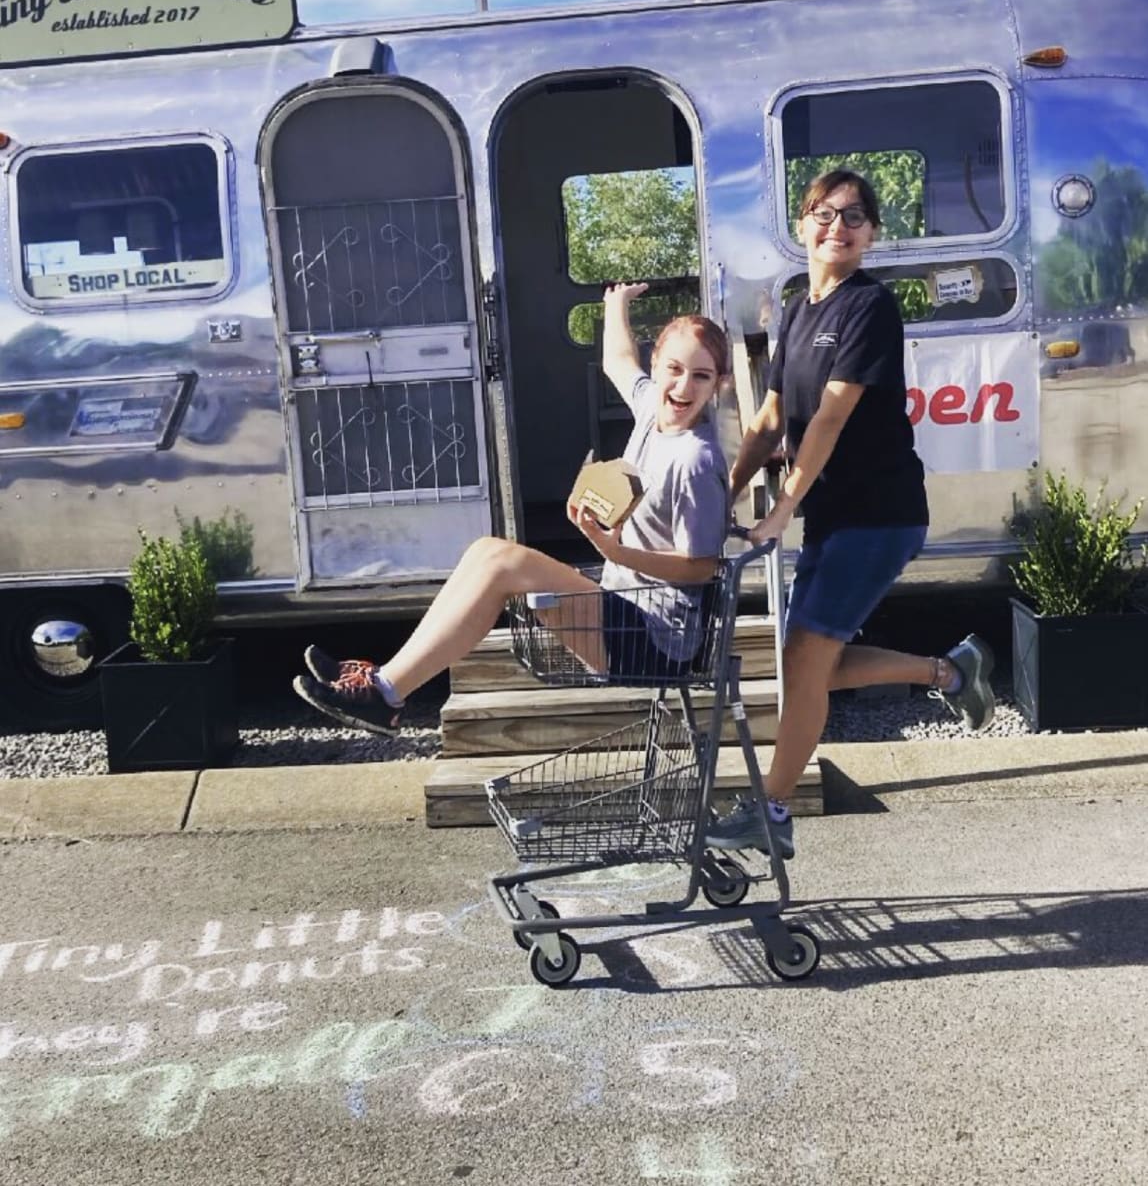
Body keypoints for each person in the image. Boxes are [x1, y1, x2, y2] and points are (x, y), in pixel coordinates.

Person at [707, 168, 995, 862]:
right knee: (813, 668)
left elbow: (830, 420)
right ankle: (950, 672)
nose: (838, 225)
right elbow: (772, 418)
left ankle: (771, 809)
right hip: (835, 515)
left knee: (804, 662)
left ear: (870, 236)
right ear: (802, 224)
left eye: (855, 215)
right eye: (825, 213)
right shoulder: (800, 308)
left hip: (880, 513)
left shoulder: (870, 308)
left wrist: (779, 511)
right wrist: (727, 490)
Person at [293, 282, 730, 732]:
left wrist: (616, 552)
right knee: (486, 549)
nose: (682, 386)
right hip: (625, 609)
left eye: (701, 376)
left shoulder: (695, 460)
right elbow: (617, 360)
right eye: (674, 368)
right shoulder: (649, 411)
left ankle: (384, 692)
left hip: (658, 641)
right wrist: (615, 303)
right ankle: (382, 683)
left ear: (719, 384)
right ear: (655, 365)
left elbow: (701, 568)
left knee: (504, 563)